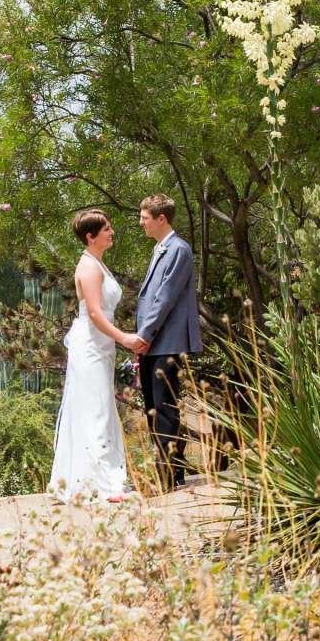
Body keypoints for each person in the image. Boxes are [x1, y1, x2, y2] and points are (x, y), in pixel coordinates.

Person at [48, 208, 140, 500]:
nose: (112, 233)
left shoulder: (98, 264)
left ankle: (106, 479)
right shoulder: (88, 267)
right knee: (95, 409)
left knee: (101, 407)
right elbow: (96, 313)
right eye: (107, 230)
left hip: (102, 346)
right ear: (91, 237)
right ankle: (101, 483)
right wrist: (124, 337)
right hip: (91, 345)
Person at [132, 194, 201, 491]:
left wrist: (143, 335)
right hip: (153, 342)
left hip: (166, 342)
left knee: (165, 407)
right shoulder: (161, 249)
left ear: (162, 219)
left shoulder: (178, 250)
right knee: (153, 406)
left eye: (145, 217)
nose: (141, 223)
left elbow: (164, 298)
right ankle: (171, 468)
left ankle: (169, 475)